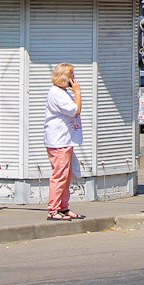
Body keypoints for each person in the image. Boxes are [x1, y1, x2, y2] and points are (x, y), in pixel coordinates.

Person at [44, 63, 85, 220]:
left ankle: (63, 207)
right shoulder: (56, 93)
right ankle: (53, 209)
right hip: (58, 141)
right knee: (60, 175)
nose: (74, 78)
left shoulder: (62, 92)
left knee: (66, 176)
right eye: (72, 75)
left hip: (65, 140)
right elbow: (76, 110)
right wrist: (78, 92)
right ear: (64, 78)